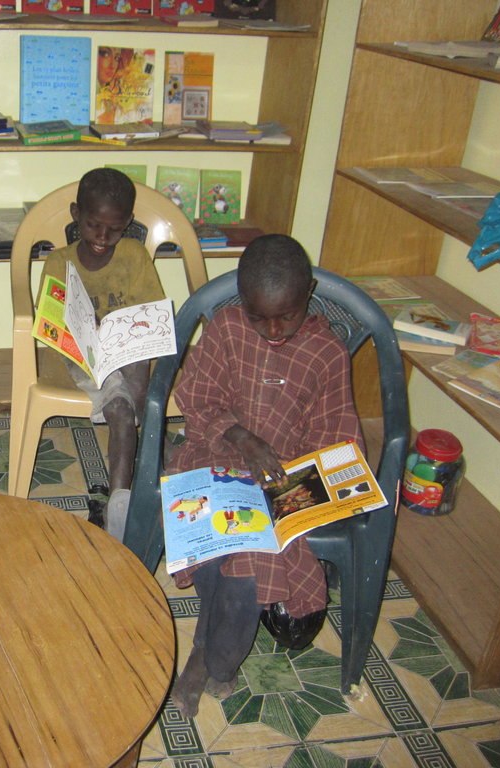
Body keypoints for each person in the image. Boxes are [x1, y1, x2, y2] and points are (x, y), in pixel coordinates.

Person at [166, 234, 362, 717]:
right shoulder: (227, 330)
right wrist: (240, 438)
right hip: (215, 455)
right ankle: (204, 655)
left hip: (285, 480)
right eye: (260, 317)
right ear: (241, 298)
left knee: (251, 560)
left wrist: (291, 483)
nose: (274, 330)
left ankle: (217, 660)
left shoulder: (326, 352)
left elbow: (337, 441)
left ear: (310, 293)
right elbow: (197, 401)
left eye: (287, 316)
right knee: (211, 541)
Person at [38, 167, 164, 539]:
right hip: (77, 359)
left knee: (138, 387)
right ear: (76, 215)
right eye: (94, 225)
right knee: (122, 411)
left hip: (126, 355)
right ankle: (120, 512)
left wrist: (136, 371)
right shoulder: (59, 261)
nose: (103, 237)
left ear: (128, 223)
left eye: (115, 228)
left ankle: (146, 462)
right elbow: (53, 327)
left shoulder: (134, 257)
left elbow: (151, 318)